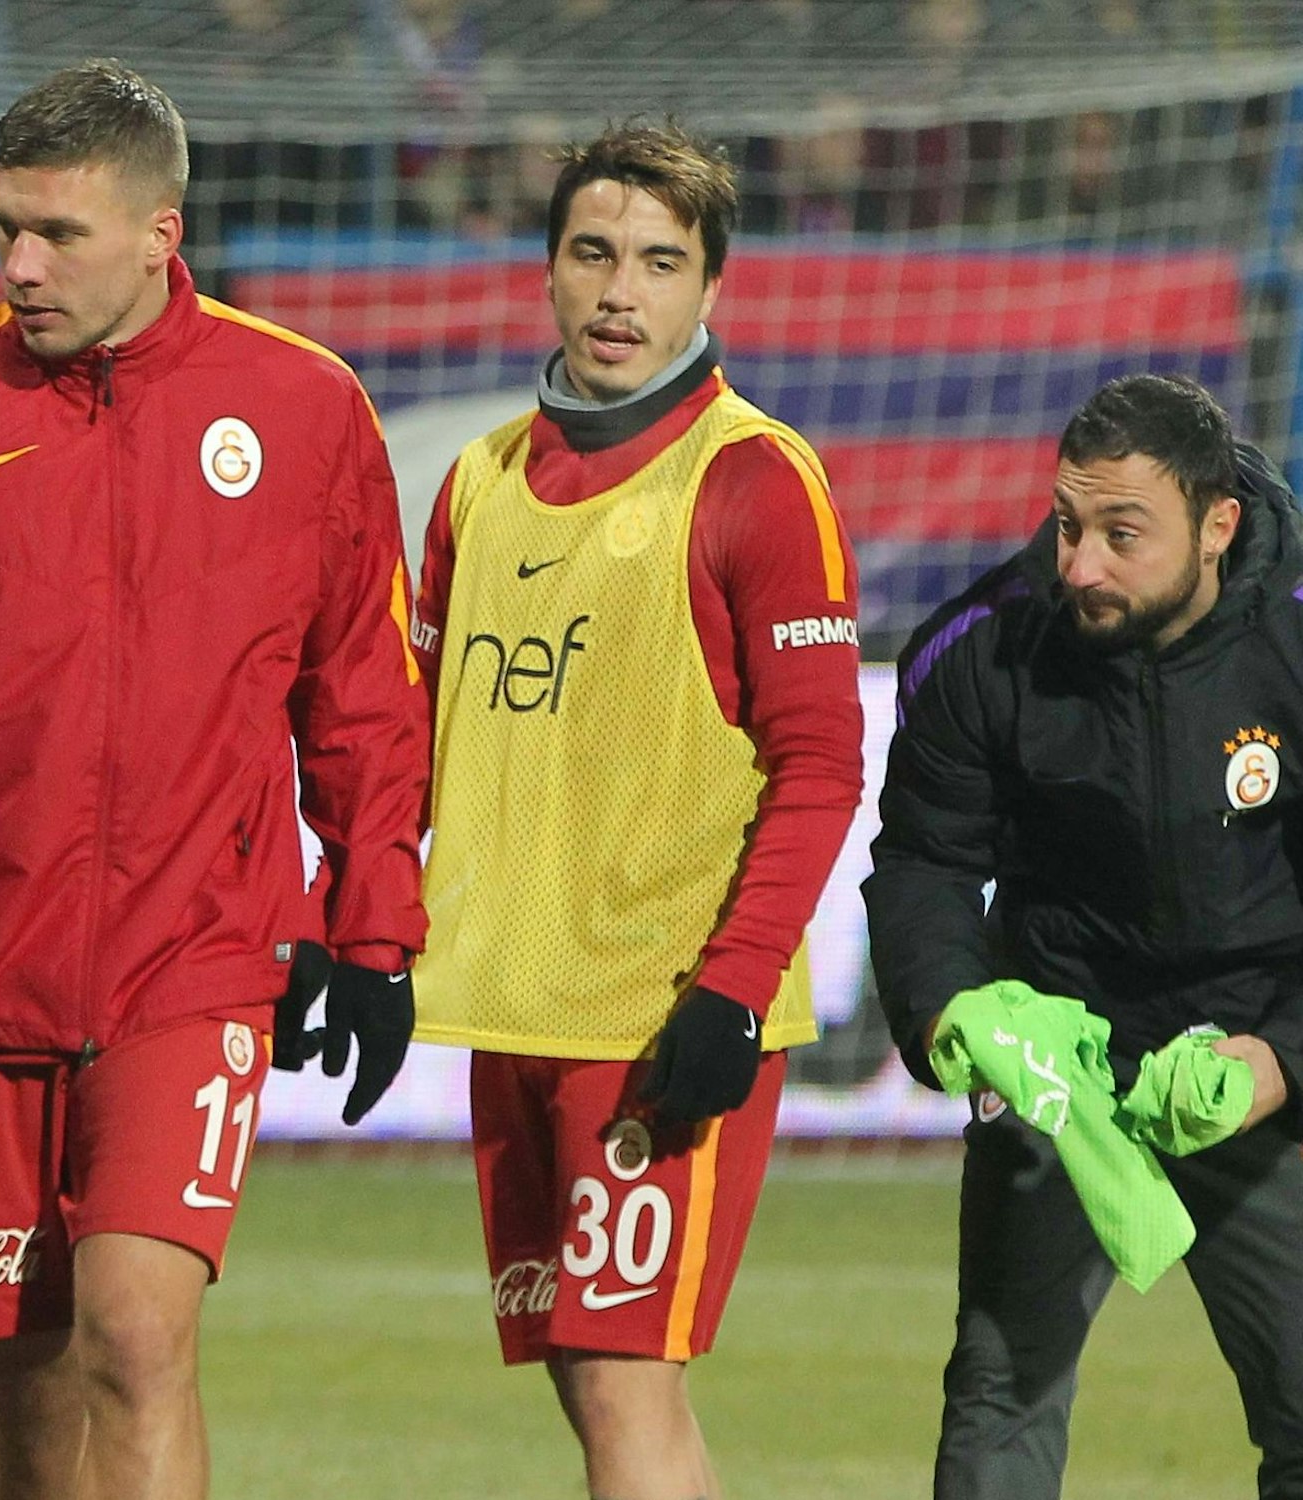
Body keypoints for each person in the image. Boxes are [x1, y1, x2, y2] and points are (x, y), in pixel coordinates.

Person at [0, 60, 428, 1500]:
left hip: (192, 962)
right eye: (6, 227)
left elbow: (365, 701)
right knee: (28, 1394)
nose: (19, 265)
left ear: (158, 235)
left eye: (57, 234)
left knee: (136, 1334)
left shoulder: (303, 409)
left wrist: (372, 928)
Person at [410, 120, 864, 1500]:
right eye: (595, 253)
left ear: (711, 289)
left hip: (663, 1012)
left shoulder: (754, 480)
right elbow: (417, 746)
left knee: (620, 1383)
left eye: (661, 263)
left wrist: (730, 992)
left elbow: (823, 766)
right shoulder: (478, 483)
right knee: (590, 1374)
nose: (622, 292)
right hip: (517, 1006)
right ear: (546, 269)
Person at [864, 373, 1303, 1499]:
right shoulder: (977, 649)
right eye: (1065, 524)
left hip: (1248, 1055)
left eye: (1120, 533)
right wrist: (953, 1008)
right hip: (1061, 1056)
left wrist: (1279, 1059)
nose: (1077, 565)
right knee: (998, 1398)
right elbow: (920, 863)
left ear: (1216, 526)